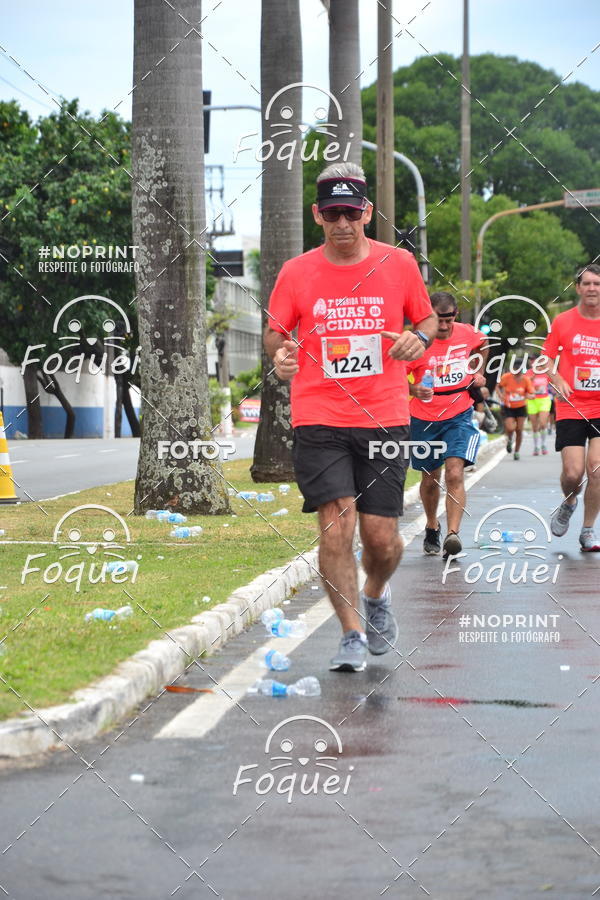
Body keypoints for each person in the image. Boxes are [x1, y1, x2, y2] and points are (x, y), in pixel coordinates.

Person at [264, 162, 437, 672]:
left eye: (352, 212)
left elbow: (424, 318)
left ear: (368, 213)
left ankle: (377, 592)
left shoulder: (399, 263)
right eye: (333, 213)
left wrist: (418, 339)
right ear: (318, 215)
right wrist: (280, 355)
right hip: (318, 413)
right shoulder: (296, 272)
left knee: (380, 537)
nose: (343, 223)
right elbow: (276, 333)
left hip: (383, 414)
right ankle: (352, 634)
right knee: (335, 527)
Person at [406, 291, 487, 558]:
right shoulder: (416, 342)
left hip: (459, 412)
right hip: (424, 417)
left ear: (456, 316)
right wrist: (414, 388)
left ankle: (453, 534)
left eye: (448, 320)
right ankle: (432, 525)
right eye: (438, 320)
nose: (443, 327)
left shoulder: (466, 333)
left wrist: (478, 371)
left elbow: (483, 343)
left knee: (454, 473)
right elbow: (395, 376)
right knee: (430, 479)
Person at [542, 264, 600, 551]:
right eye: (587, 284)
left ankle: (588, 531)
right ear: (577, 288)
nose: (592, 289)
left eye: (597, 284)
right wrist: (558, 378)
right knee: (574, 474)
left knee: (597, 470)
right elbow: (544, 360)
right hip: (571, 406)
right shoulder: (563, 322)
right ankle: (569, 502)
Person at [496, 367, 535, 460]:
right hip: (508, 407)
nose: (517, 373)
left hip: (521, 407)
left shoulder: (526, 380)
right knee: (510, 428)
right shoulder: (506, 377)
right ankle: (509, 439)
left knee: (519, 430)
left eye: (519, 370)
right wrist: (501, 395)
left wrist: (527, 395)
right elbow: (498, 386)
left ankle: (516, 451)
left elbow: (532, 394)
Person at [526, 354, 552, 455]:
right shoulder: (528, 373)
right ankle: (536, 447)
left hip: (544, 400)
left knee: (543, 423)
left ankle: (544, 444)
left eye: (533, 359)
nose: (532, 361)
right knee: (534, 426)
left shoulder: (546, 373)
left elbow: (554, 383)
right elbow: (524, 387)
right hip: (532, 400)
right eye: (530, 360)